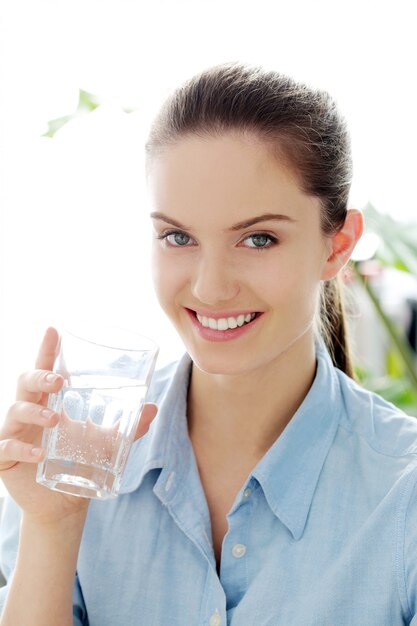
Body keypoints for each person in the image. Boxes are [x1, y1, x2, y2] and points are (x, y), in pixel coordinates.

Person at [0, 62, 416, 626]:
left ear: (338, 245)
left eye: (258, 238)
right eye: (178, 236)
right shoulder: (76, 461)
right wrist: (52, 525)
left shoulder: (403, 496)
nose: (210, 287)